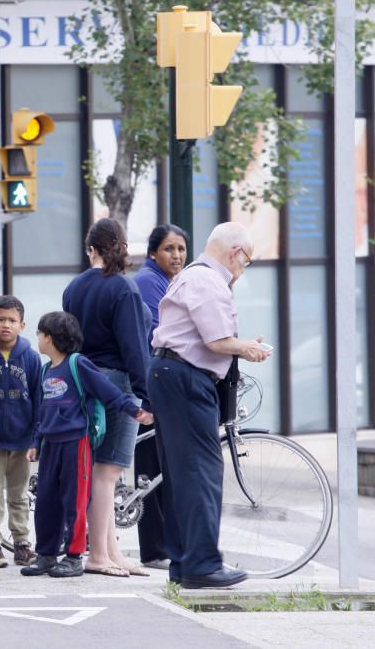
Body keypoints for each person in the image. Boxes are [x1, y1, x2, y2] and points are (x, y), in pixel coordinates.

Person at [148, 222, 271, 589]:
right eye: (246, 261)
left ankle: (184, 562)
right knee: (201, 471)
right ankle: (201, 564)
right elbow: (217, 340)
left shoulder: (193, 275)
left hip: (172, 373)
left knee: (180, 474)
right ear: (235, 254)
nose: (243, 269)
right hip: (186, 377)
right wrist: (247, 346)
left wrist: (241, 345)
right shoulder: (207, 280)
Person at [21, 312, 153, 578]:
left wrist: (134, 411)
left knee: (75, 501)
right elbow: (42, 412)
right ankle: (46, 554)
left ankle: (73, 556)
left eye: (39, 333)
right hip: (51, 446)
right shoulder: (47, 370)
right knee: (46, 501)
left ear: (49, 337)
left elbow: (108, 391)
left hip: (75, 444)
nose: (37, 338)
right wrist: (36, 441)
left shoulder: (77, 364)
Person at [62, 217, 151, 577]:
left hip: (82, 379)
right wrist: (146, 396)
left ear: (91, 249)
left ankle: (112, 550)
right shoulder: (123, 289)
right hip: (117, 384)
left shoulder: (73, 288)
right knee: (108, 470)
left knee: (99, 468)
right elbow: (135, 350)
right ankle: (98, 554)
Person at [132, 224, 189, 571]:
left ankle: (160, 546)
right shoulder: (149, 283)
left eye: (181, 249)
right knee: (151, 468)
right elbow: (159, 335)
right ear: (153, 252)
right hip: (150, 388)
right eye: (169, 249)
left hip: (156, 385)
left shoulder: (165, 282)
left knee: (158, 467)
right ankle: (153, 548)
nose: (177, 255)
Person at [0, 295, 40, 568]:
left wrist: (36, 437)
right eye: (1, 319)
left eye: (12, 321)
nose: (6, 325)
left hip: (22, 440)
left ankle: (22, 543)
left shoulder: (31, 358)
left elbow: (39, 398)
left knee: (19, 494)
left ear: (22, 325)